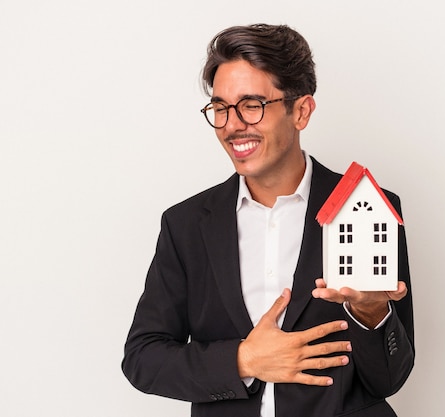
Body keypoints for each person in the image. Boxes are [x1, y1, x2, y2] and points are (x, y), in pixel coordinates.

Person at [122, 23, 414, 417]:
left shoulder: (367, 208)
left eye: (252, 104)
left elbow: (388, 380)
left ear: (301, 111)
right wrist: (243, 360)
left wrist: (372, 315)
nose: (232, 124)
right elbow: (143, 358)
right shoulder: (186, 224)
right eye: (221, 107)